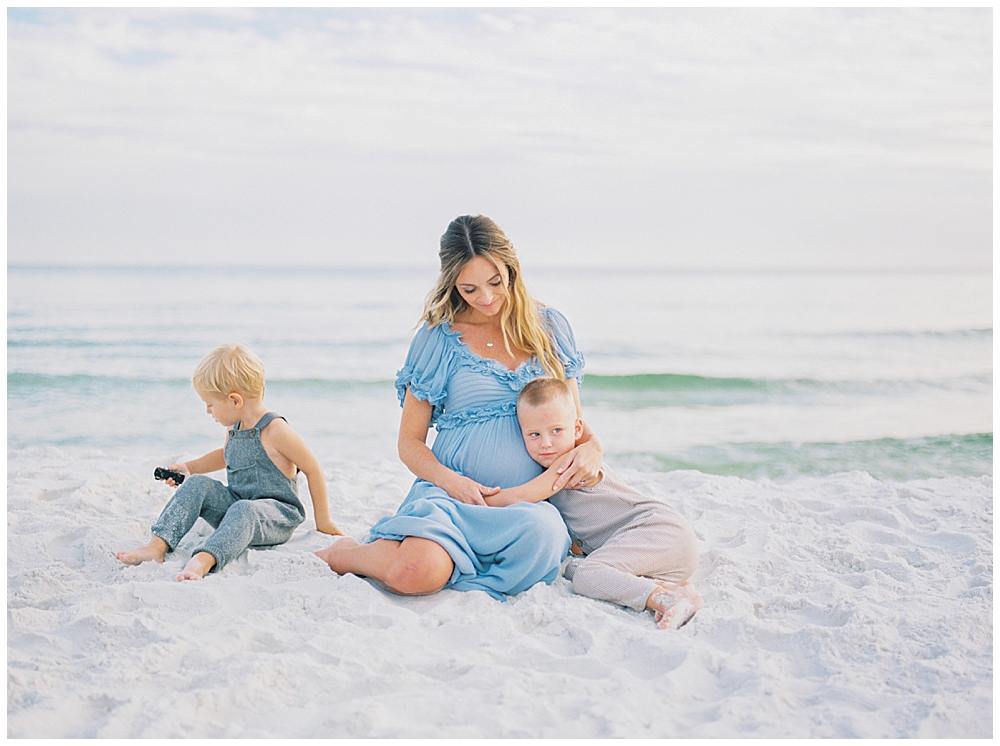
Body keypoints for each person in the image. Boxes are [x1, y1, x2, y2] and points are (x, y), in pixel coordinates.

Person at [314, 215, 603, 598]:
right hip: (451, 498)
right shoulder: (438, 339)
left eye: (495, 283)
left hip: (525, 507)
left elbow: (575, 421)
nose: (484, 297)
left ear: (511, 269)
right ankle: (347, 554)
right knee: (416, 574)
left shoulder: (549, 328)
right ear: (452, 283)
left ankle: (442, 562)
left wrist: (594, 448)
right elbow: (410, 443)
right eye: (469, 288)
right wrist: (453, 482)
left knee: (546, 535)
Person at [486, 377, 704, 629]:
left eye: (556, 431)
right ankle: (675, 591)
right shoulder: (557, 463)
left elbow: (516, 498)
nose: (546, 443)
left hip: (657, 529)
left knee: (587, 576)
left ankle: (668, 600)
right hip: (661, 553)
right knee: (576, 569)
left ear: (577, 429)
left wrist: (462, 494)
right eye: (534, 434)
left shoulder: (569, 464)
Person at [116, 343, 342, 581]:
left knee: (243, 510)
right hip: (236, 507)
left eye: (210, 404)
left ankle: (203, 559)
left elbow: (313, 469)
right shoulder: (235, 428)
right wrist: (190, 468)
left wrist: (324, 521)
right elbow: (226, 455)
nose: (207, 411)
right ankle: (157, 547)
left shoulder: (275, 430)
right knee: (198, 484)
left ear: (235, 400)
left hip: (275, 517)